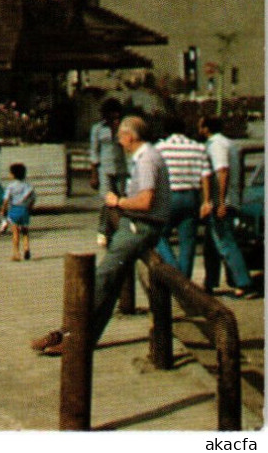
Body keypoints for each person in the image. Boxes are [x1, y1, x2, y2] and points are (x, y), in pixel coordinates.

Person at [33, 116, 170, 356]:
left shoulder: (147, 160)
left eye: (120, 137)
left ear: (130, 137)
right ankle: (80, 335)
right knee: (110, 282)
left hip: (142, 225)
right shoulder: (145, 157)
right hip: (137, 223)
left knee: (104, 278)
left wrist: (118, 201)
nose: (118, 141)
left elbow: (146, 200)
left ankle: (74, 334)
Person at [197, 116, 256, 297]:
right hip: (230, 198)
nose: (198, 128)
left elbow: (222, 171)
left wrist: (220, 201)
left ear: (206, 128)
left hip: (221, 201)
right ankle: (210, 282)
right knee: (211, 243)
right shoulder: (230, 144)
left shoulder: (216, 145)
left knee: (225, 242)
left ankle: (244, 283)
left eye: (200, 125)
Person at [154, 117, 211, 282]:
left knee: (158, 234)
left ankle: (175, 273)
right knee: (188, 241)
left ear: (166, 130)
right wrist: (206, 201)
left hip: (168, 196)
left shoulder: (160, 148)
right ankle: (185, 280)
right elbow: (205, 175)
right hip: (191, 197)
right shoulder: (198, 148)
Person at [88, 98, 125, 248]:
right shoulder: (98, 129)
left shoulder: (123, 128)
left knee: (122, 200)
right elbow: (94, 151)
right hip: (105, 168)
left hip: (122, 169)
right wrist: (94, 174)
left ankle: (119, 229)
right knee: (107, 201)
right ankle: (103, 230)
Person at [2, 162, 35, 261]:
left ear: (13, 174)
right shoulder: (27, 186)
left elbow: (6, 199)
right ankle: (26, 248)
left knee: (15, 233)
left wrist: (3, 209)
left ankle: (16, 254)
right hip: (24, 210)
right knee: (25, 232)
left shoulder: (10, 186)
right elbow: (33, 198)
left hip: (14, 210)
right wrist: (30, 207)